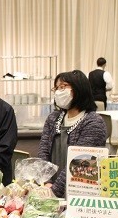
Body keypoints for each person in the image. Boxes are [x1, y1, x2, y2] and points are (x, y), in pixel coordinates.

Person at [38, 70, 107, 198]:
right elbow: (43, 152)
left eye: (63, 87)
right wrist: (46, 182)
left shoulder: (93, 122)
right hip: (49, 189)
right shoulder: (53, 118)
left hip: (79, 192)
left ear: (79, 88)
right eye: (57, 88)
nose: (59, 92)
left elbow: (80, 162)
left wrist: (55, 191)